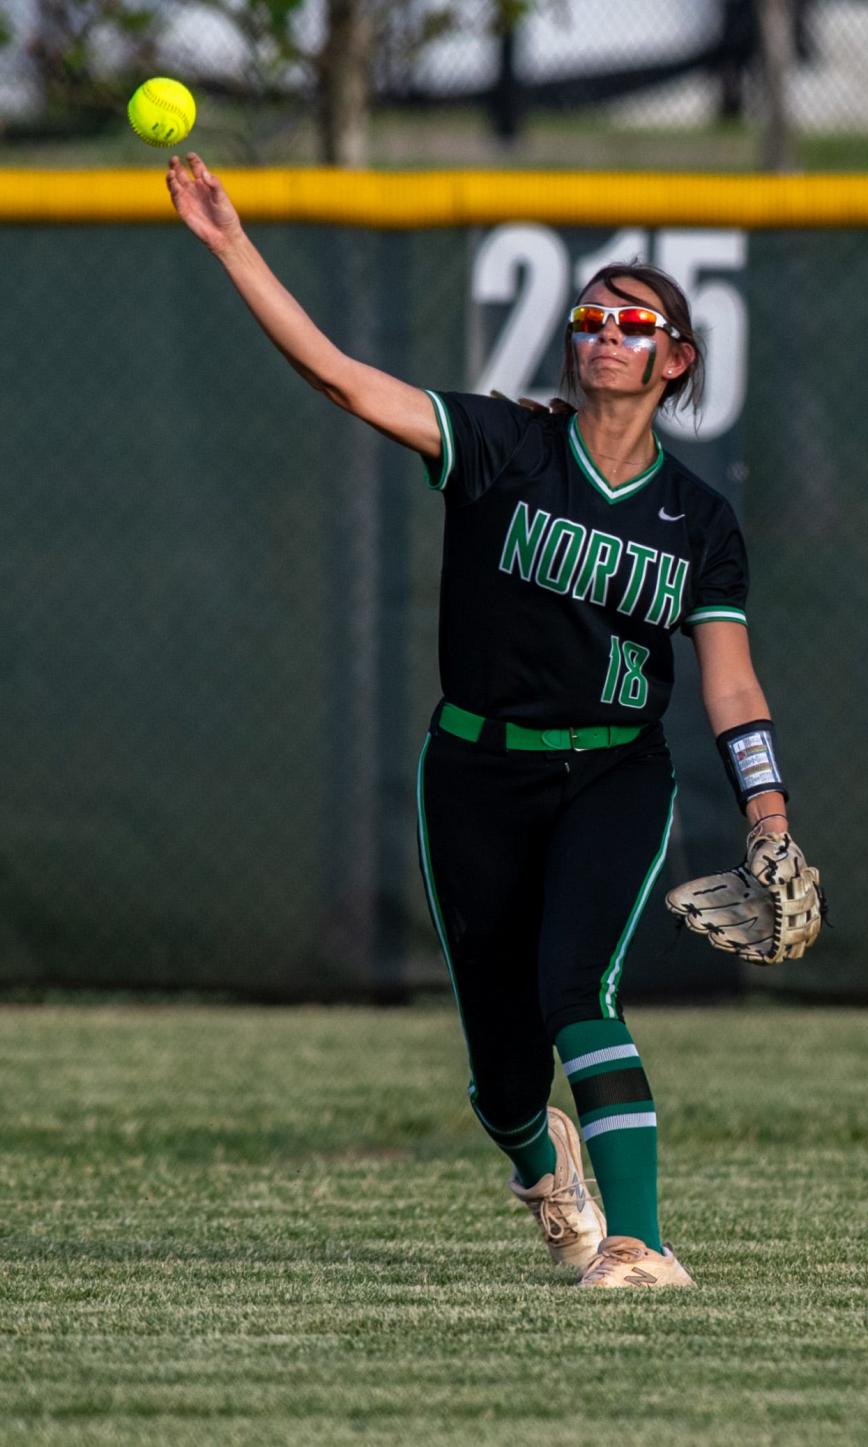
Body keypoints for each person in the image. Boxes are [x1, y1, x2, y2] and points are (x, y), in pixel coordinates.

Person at [167, 152, 798, 1290]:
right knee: (504, 1073)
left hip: (615, 773)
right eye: (592, 316)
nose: (605, 332)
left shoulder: (699, 518)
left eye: (633, 321)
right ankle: (541, 1158)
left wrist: (766, 807)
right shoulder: (504, 447)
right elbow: (345, 382)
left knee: (578, 989)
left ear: (677, 359)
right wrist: (230, 244)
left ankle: (642, 1244)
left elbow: (732, 682)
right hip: (473, 774)